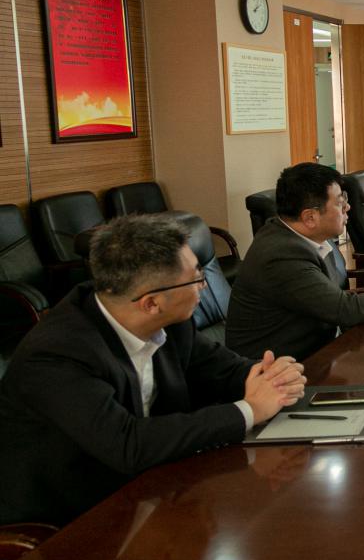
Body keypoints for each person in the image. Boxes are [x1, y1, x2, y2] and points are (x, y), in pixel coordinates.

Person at [0, 214, 306, 525]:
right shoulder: (57, 353)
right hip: (66, 521)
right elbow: (127, 444)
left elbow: (224, 370)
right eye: (196, 278)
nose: (204, 285)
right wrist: (250, 410)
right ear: (151, 303)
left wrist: (273, 377)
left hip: (151, 490)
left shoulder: (170, 321)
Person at [226, 163, 364, 360]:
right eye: (340, 202)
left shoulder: (312, 237)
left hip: (323, 349)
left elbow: (339, 299)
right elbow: (343, 309)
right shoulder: (281, 255)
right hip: (279, 370)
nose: (348, 208)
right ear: (310, 217)